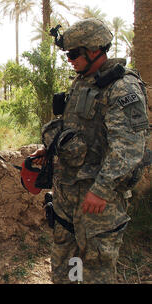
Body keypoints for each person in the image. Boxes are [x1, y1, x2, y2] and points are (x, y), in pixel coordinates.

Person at [31, 18, 149, 283]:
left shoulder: (122, 87)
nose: (69, 60)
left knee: (95, 270)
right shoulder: (84, 82)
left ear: (94, 51)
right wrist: (48, 150)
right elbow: (75, 128)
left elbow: (129, 147)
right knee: (68, 268)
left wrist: (101, 190)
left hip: (97, 206)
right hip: (68, 198)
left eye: (74, 54)